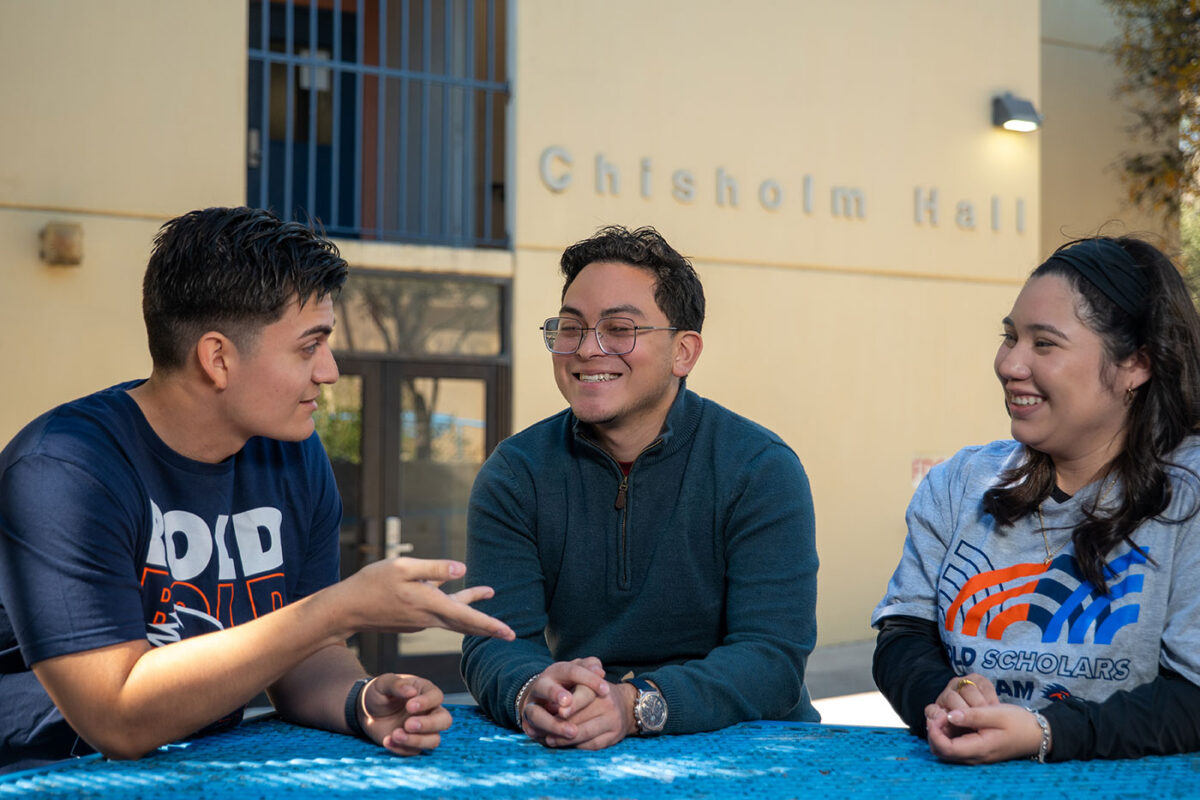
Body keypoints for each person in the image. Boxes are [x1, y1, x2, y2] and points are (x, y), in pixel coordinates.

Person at [0, 207, 515, 773]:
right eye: (308, 346)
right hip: (43, 773)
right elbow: (117, 718)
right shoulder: (64, 470)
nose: (330, 371)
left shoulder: (293, 453)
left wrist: (361, 702)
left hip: (197, 769)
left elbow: (304, 655)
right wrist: (336, 610)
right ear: (217, 358)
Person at [460, 225, 819, 750]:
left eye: (619, 329)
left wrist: (635, 705)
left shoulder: (759, 468)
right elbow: (494, 641)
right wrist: (535, 692)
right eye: (570, 327)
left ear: (684, 353)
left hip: (752, 750)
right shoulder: (516, 473)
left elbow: (771, 658)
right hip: (575, 737)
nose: (586, 349)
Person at [872, 235, 1200, 763]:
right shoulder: (958, 483)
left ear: (1136, 363)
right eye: (1010, 336)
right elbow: (903, 636)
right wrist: (942, 697)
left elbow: (1191, 700)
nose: (1010, 364)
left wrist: (1047, 732)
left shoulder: (1189, 496)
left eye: (1043, 343)